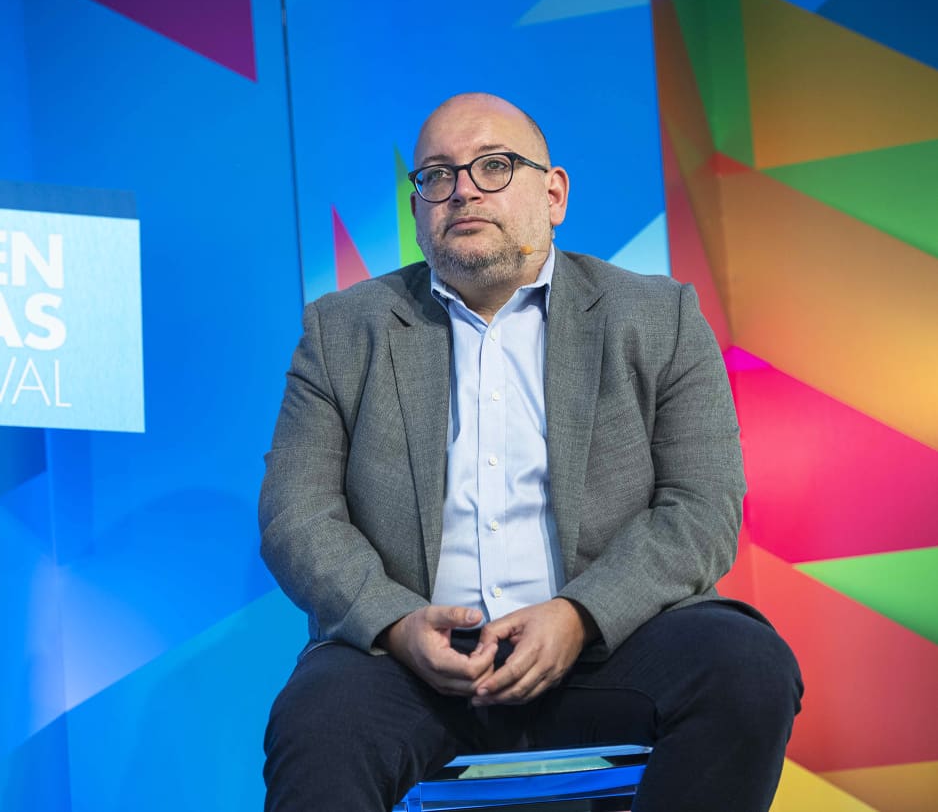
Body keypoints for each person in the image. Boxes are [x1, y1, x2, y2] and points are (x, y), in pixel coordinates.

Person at [258, 93, 802, 812]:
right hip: (409, 661)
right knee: (316, 723)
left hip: (611, 644)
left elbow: (701, 509)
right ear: (417, 209)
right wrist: (396, 624)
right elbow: (296, 516)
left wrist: (579, 615)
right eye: (436, 176)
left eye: (493, 166)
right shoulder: (343, 331)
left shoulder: (658, 317)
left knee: (746, 668)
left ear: (553, 195)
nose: (462, 191)